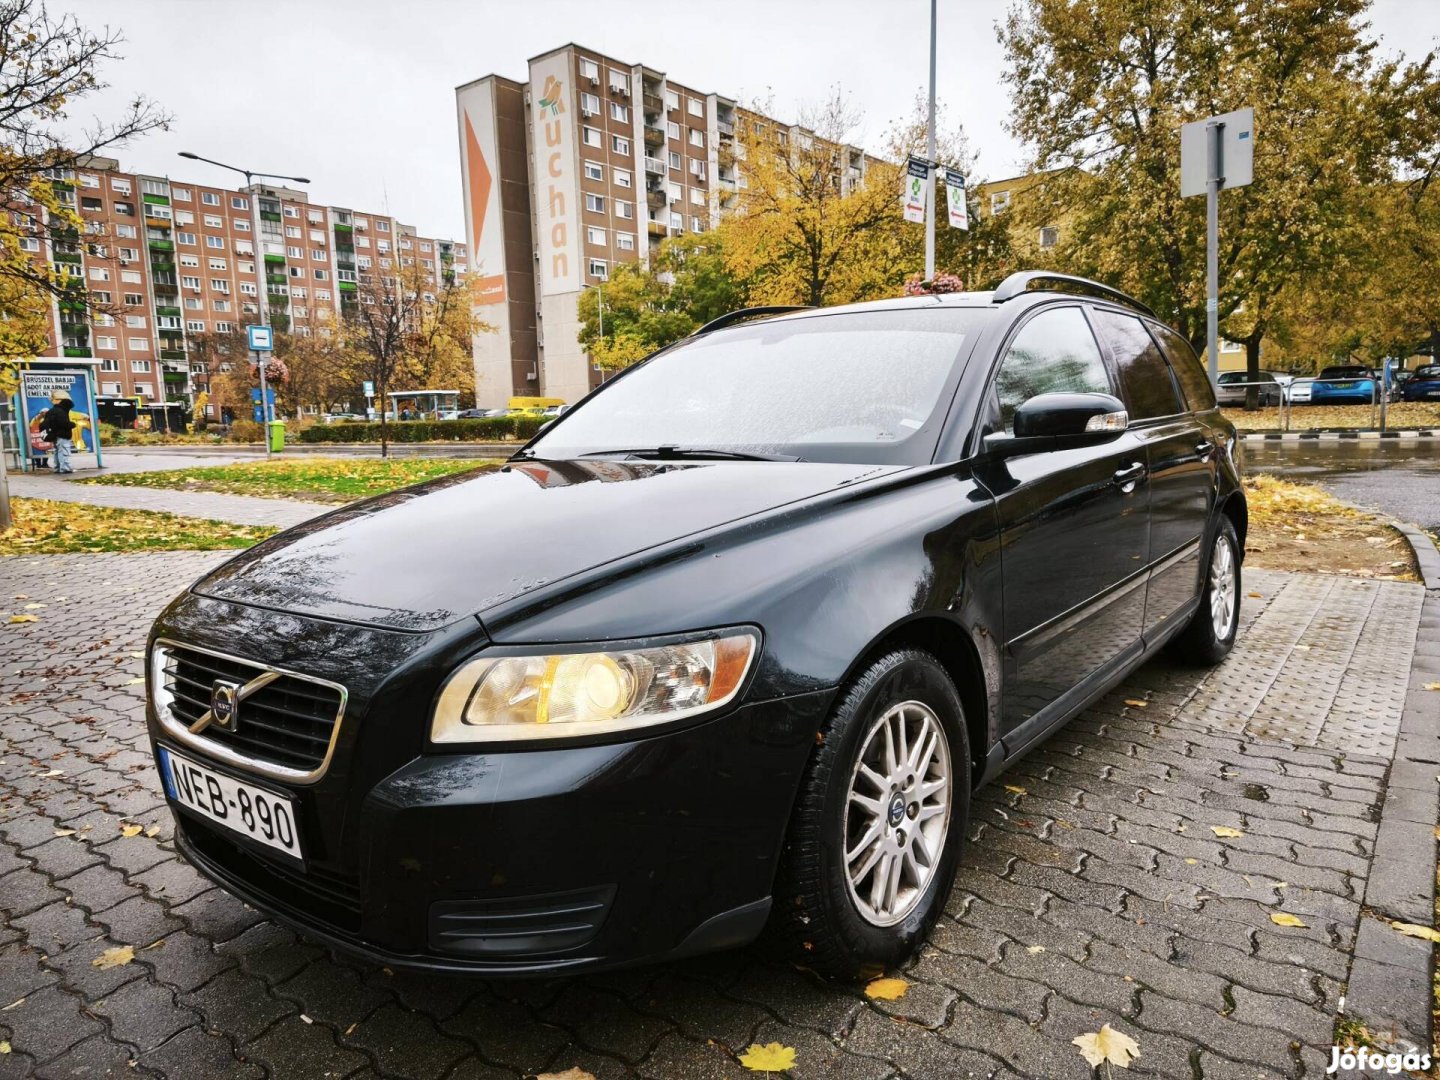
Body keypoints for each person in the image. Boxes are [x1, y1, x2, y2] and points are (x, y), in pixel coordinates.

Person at [41, 397, 76, 474]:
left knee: (57, 452)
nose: (69, 410)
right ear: (67, 406)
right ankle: (65, 468)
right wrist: (73, 424)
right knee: (64, 452)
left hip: (54, 435)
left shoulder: (51, 411)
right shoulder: (61, 412)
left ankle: (57, 468)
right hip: (62, 435)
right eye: (69, 408)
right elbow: (63, 424)